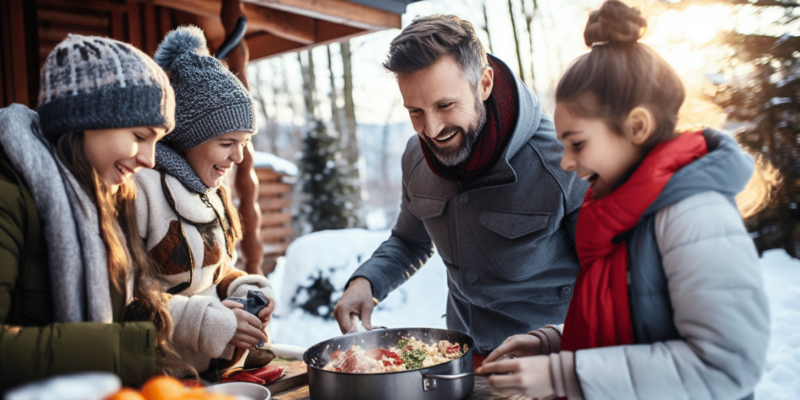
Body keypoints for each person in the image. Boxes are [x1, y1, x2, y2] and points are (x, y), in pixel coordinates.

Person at [476, 2, 771, 399]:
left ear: (636, 126)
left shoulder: (695, 216)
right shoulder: (623, 212)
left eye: (577, 143)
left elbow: (726, 365)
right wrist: (553, 343)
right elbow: (636, 325)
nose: (566, 162)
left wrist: (566, 373)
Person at [333, 15, 589, 356]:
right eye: (415, 112)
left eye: (445, 105)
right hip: (460, 357)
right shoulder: (415, 157)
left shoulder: (562, 160)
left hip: (552, 365)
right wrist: (367, 282)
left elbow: (608, 280)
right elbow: (409, 241)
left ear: (484, 84)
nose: (432, 129)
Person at [0, 34, 176, 391]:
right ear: (84, 120)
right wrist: (125, 349)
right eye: (140, 135)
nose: (149, 159)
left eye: (156, 141)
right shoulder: (9, 193)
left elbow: (126, 306)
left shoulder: (105, 196)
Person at [135, 26, 275, 377]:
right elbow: (127, 301)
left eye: (244, 143)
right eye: (227, 143)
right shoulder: (141, 192)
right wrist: (209, 323)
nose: (239, 157)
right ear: (187, 136)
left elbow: (209, 273)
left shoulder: (210, 190)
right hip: (161, 381)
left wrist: (240, 284)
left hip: (213, 374)